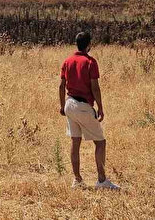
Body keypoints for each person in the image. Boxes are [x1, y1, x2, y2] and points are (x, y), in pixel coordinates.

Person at [58, 31, 120, 190]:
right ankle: (101, 180)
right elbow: (95, 87)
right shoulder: (90, 62)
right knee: (100, 142)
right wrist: (100, 107)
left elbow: (61, 86)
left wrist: (62, 106)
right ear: (89, 45)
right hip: (83, 106)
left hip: (69, 103)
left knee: (75, 141)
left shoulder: (67, 61)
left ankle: (77, 179)